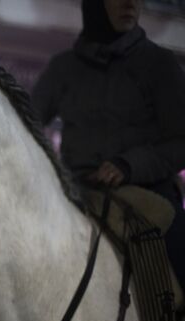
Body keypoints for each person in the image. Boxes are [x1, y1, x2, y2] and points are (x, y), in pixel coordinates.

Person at [31, 0, 185, 288]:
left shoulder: (159, 64)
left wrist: (129, 165)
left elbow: (181, 141)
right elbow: (28, 122)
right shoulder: (64, 68)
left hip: (146, 189)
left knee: (179, 252)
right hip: (78, 190)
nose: (130, 3)